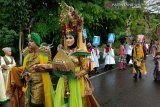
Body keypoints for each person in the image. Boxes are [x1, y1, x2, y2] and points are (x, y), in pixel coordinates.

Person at [53, 2, 100, 107]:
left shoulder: (80, 51)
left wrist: (76, 75)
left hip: (75, 82)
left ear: (75, 38)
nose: (68, 40)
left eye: (71, 38)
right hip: (63, 81)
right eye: (67, 38)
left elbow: (85, 69)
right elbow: (57, 64)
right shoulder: (62, 51)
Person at [22, 32, 54, 107]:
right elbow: (24, 69)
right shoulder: (27, 56)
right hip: (29, 84)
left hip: (40, 83)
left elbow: (52, 66)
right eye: (28, 41)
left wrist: (42, 66)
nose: (29, 43)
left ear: (36, 42)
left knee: (36, 104)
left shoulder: (44, 53)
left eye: (31, 41)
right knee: (29, 104)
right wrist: (25, 75)